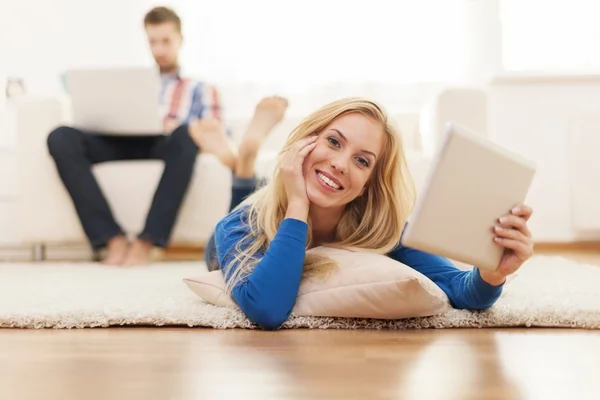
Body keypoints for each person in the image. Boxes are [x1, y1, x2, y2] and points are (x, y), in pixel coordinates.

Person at [200, 97, 535, 331]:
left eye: (362, 161)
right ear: (305, 141)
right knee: (245, 204)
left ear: (367, 186)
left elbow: (461, 290)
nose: (340, 164)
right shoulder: (236, 227)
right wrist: (298, 205)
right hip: (243, 225)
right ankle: (244, 163)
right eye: (333, 142)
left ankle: (242, 163)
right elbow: (267, 308)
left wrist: (492, 273)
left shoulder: (384, 235)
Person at [46, 6, 278, 266]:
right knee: (60, 136)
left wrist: (183, 129)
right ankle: (111, 238)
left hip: (169, 144)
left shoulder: (200, 89)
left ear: (180, 40)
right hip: (120, 140)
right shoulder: (128, 84)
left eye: (166, 41)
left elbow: (216, 134)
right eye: (152, 42)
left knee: (185, 133)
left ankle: (147, 242)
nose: (159, 50)